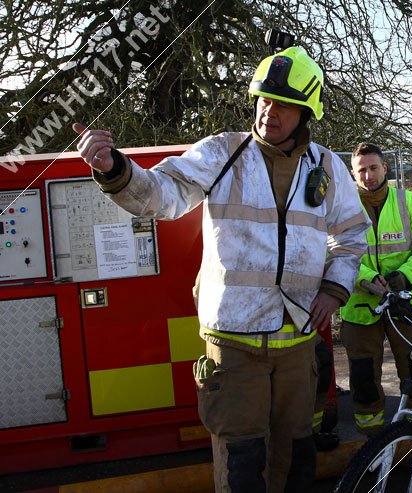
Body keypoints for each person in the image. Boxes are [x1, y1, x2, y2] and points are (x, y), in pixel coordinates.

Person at [74, 46, 370, 493]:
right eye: (264, 99)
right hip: (233, 344)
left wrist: (333, 290)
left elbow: (350, 237)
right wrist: (115, 169)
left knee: (296, 460)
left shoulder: (326, 166)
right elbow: (161, 195)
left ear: (306, 113)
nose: (270, 112)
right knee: (241, 464)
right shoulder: (223, 153)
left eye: (284, 105)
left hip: (297, 344)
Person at [339, 142, 412, 436]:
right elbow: (334, 250)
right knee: (363, 380)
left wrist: (404, 276)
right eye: (362, 170)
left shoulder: (410, 203)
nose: (368, 175)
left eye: (373, 168)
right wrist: (369, 279)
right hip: (360, 308)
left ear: (385, 168)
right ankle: (369, 445)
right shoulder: (342, 209)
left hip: (406, 304)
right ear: (353, 173)